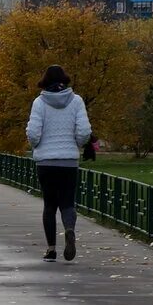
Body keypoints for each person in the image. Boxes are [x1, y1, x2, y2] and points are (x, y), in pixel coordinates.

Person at [26, 64, 92, 263]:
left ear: (45, 81)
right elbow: (84, 131)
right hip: (68, 162)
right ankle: (69, 229)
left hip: (46, 163)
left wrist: (36, 145)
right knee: (67, 203)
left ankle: (51, 250)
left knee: (49, 205)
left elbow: (33, 133)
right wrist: (77, 145)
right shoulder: (77, 101)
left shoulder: (39, 102)